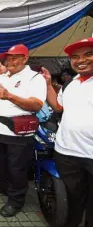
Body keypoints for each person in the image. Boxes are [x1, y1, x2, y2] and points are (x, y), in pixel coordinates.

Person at [0, 44, 47, 217]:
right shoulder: (3, 76)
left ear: (25, 58)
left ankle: (16, 200)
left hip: (17, 133)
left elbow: (36, 104)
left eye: (14, 57)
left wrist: (9, 95)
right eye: (8, 58)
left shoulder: (34, 78)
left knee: (16, 168)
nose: (10, 61)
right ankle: (2, 185)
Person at [41, 37, 93, 227]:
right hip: (67, 153)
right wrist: (47, 84)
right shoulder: (71, 83)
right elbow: (58, 106)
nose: (81, 60)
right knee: (72, 201)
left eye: (88, 54)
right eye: (75, 56)